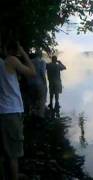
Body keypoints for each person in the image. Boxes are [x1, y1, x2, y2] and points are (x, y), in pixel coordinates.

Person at [0, 42, 35, 180]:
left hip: (3, 111)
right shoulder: (10, 60)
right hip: (11, 112)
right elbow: (32, 73)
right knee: (13, 153)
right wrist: (24, 54)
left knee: (2, 149)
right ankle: (15, 177)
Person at [27, 51, 47, 118]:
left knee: (32, 100)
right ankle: (40, 116)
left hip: (30, 84)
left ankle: (31, 115)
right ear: (40, 55)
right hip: (39, 84)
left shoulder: (30, 61)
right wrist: (45, 83)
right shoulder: (42, 62)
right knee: (41, 100)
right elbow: (42, 73)